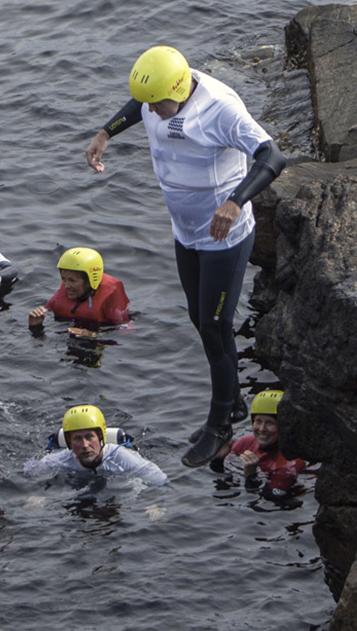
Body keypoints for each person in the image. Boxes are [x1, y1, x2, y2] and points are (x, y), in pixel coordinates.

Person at [83, 46, 287, 466]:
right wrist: (105, 133)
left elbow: (272, 155)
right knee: (200, 318)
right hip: (186, 231)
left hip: (224, 238)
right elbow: (139, 104)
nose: (152, 112)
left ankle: (219, 426)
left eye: (159, 104)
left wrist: (235, 202)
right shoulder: (157, 95)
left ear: (179, 90)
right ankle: (233, 401)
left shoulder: (220, 109)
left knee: (215, 325)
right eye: (148, 104)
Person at [21, 404, 167, 487]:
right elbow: (28, 474)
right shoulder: (60, 459)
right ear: (69, 442)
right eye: (77, 439)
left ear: (101, 437)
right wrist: (37, 494)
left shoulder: (122, 458)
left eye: (89, 437)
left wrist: (153, 505)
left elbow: (159, 480)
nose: (85, 445)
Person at [220, 390, 308, 497]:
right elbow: (221, 478)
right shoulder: (246, 443)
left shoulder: (291, 463)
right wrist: (219, 459)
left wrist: (251, 476)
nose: (262, 429)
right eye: (258, 421)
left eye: (270, 423)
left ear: (284, 426)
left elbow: (270, 499)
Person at [28, 246, 131, 336]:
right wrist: (35, 326)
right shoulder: (65, 289)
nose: (66, 286)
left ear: (90, 281)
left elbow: (126, 330)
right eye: (64, 279)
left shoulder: (110, 293)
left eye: (72, 280)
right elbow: (47, 312)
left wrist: (94, 335)